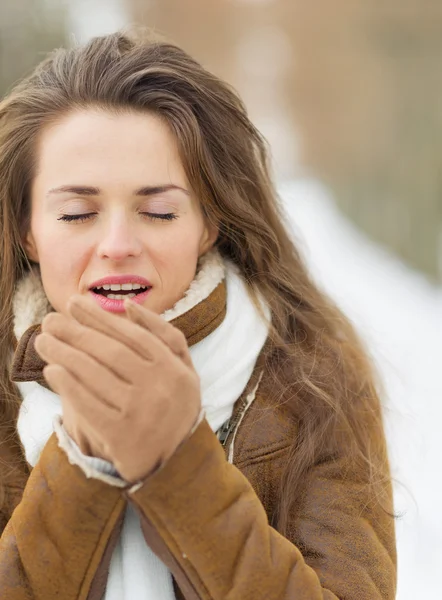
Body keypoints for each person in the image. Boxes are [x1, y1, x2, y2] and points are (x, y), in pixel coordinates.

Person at [0, 30, 396, 600]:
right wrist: (82, 461)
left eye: (158, 211)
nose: (117, 243)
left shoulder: (312, 380)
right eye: (77, 213)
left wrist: (179, 466)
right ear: (27, 231)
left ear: (207, 224)